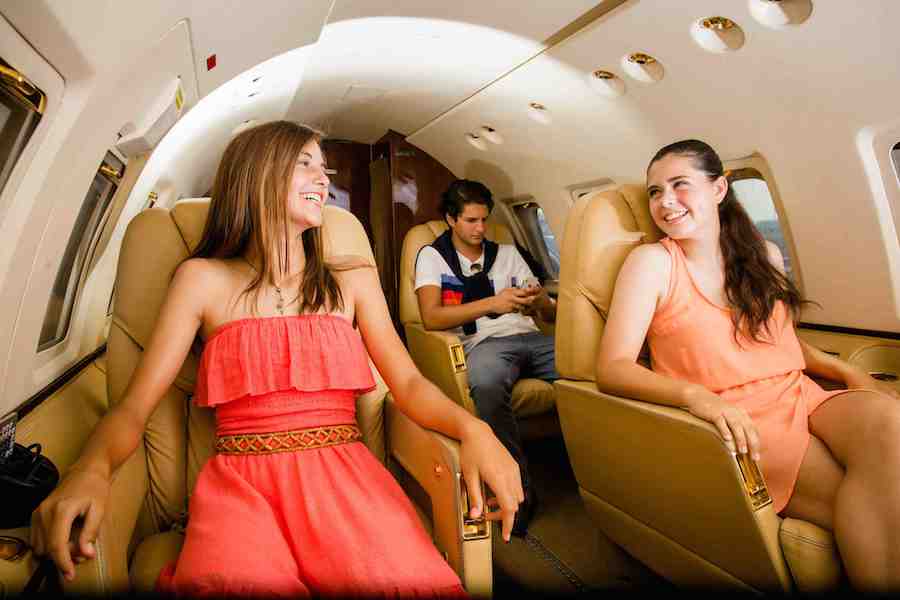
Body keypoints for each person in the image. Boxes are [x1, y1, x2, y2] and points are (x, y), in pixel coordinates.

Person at [30, 121, 525, 597]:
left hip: (347, 480)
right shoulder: (200, 280)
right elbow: (133, 408)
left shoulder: (353, 280)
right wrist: (89, 470)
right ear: (257, 173)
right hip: (241, 490)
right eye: (305, 163)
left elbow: (410, 386)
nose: (322, 178)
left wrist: (474, 429)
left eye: (324, 168)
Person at [596, 138, 900, 591]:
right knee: (878, 502)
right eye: (655, 191)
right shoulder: (652, 264)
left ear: (719, 189)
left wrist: (850, 374)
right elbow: (613, 367)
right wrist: (696, 397)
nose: (665, 201)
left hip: (800, 392)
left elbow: (781, 340)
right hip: (742, 418)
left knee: (889, 419)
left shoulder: (764, 254)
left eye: (680, 185)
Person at [414, 179, 557, 536]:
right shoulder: (433, 257)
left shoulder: (507, 253)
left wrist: (539, 299)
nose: (480, 229)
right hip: (485, 344)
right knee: (487, 384)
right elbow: (431, 317)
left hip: (530, 336)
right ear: (451, 219)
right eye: (471, 221)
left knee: (587, 369)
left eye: (484, 220)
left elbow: (548, 313)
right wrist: (493, 303)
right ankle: (518, 493)